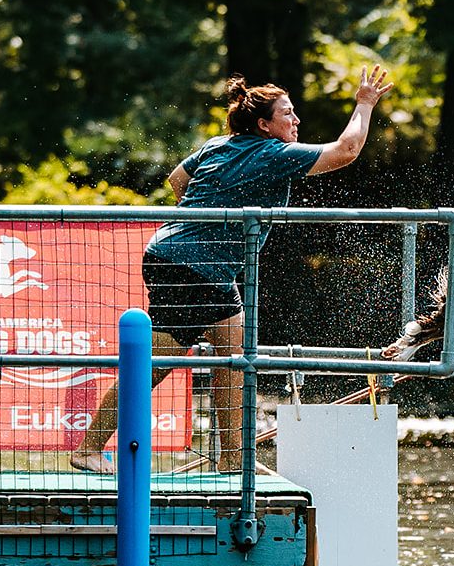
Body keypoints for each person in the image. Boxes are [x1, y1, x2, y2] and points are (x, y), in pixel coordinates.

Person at [70, 64, 394, 473]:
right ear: (264, 124)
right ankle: (88, 449)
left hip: (178, 259)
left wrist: (204, 219)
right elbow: (345, 151)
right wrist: (365, 103)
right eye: (287, 114)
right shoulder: (273, 154)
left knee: (233, 348)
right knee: (156, 364)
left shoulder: (217, 145)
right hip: (193, 269)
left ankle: (232, 459)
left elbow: (176, 179)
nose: (297, 120)